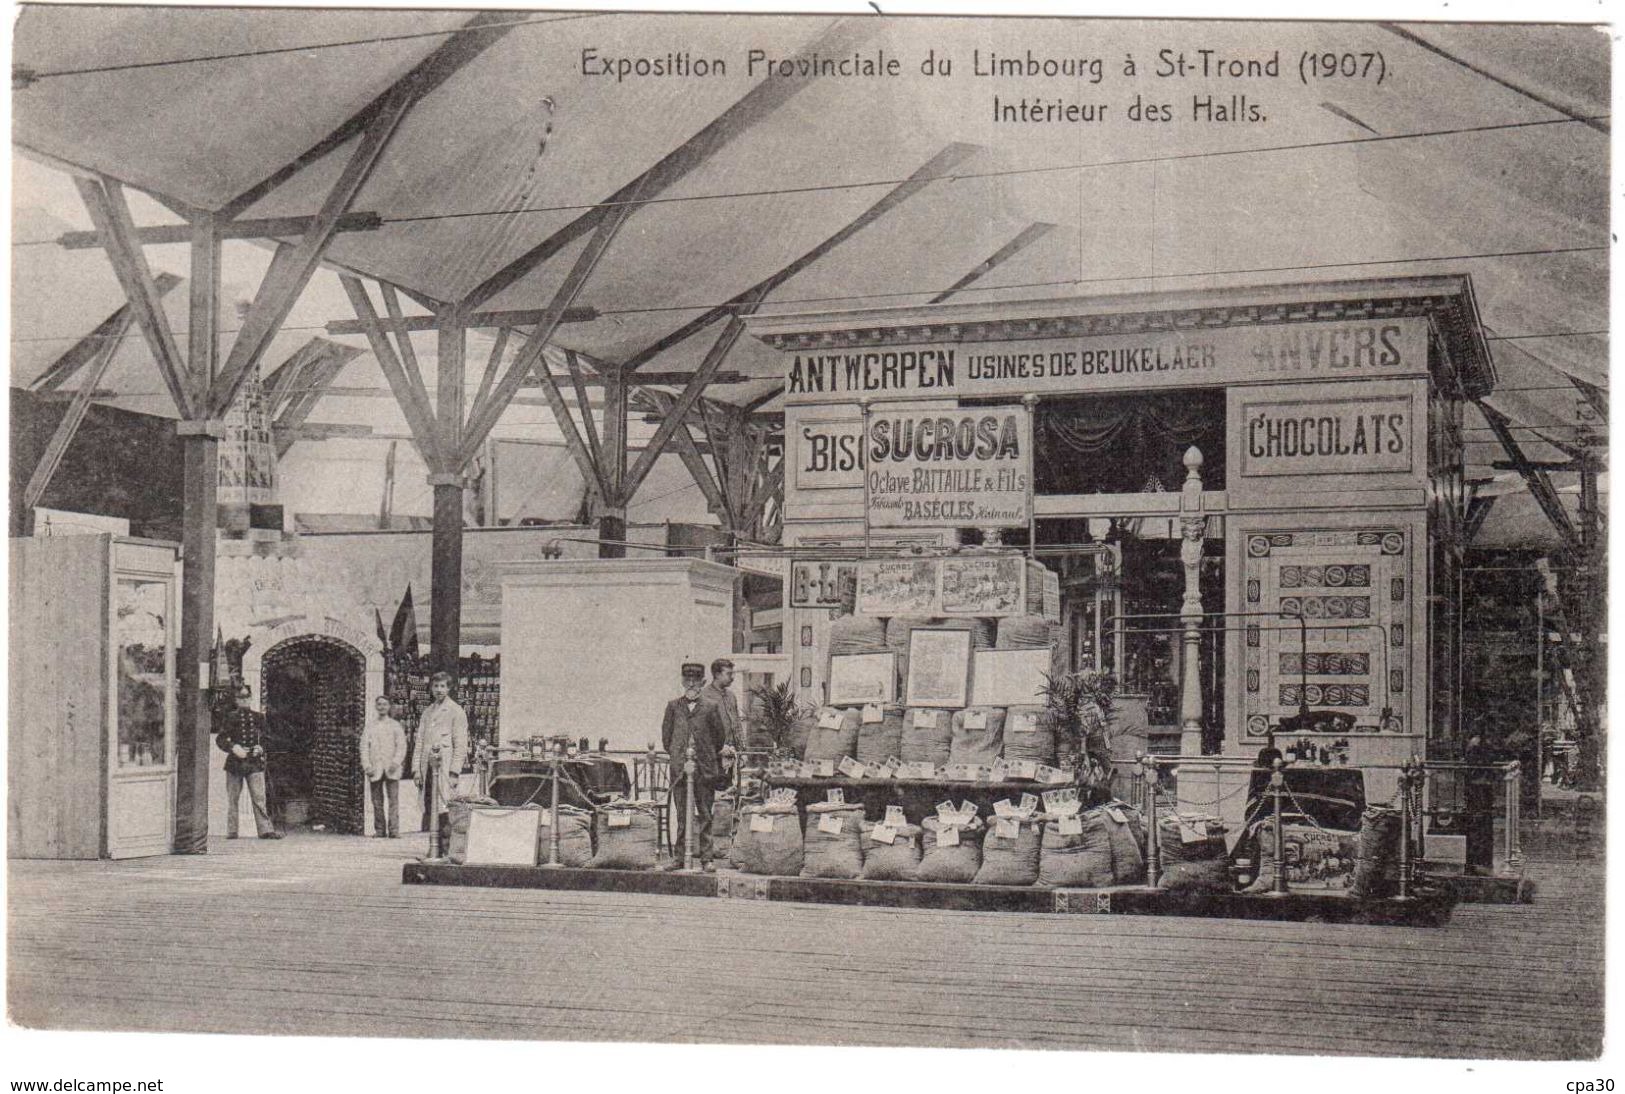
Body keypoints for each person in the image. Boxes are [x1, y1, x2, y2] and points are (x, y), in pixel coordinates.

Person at [662, 662, 729, 871]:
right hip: (680, 770)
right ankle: (679, 858)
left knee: (705, 814)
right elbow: (666, 739)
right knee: (682, 815)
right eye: (687, 681)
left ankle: (707, 859)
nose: (691, 685)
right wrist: (678, 756)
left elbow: (719, 738)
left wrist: (705, 756)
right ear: (682, 682)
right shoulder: (673, 707)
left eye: (695, 681)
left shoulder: (710, 707)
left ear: (702, 683)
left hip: (704, 770)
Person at [414, 671, 469, 855]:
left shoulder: (456, 711)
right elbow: (420, 742)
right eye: (436, 686)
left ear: (449, 688)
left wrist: (454, 772)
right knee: (431, 807)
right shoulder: (427, 712)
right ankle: (434, 847)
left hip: (444, 769)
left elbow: (461, 744)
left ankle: (446, 849)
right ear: (431, 688)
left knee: (445, 807)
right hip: (427, 767)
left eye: (443, 686)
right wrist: (416, 770)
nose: (439, 690)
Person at [217, 682, 281, 840]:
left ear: (251, 698)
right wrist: (233, 747)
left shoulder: (259, 717)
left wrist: (261, 747)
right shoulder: (230, 717)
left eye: (246, 697)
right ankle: (232, 831)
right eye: (240, 697)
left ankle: (265, 830)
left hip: (254, 762)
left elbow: (268, 737)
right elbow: (221, 739)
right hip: (235, 763)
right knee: (233, 798)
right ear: (236, 700)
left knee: (259, 798)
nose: (244, 700)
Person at [360, 695, 407, 838]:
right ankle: (380, 830)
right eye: (379, 704)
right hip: (375, 768)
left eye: (385, 704)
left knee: (393, 800)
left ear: (389, 707)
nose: (382, 707)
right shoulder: (370, 726)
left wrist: (396, 762)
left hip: (392, 768)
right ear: (376, 706)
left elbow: (402, 746)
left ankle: (394, 830)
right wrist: (367, 766)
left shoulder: (395, 725)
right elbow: (364, 747)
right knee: (377, 801)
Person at [702, 657, 742, 750]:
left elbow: (737, 724)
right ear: (717, 674)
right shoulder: (704, 696)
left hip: (733, 751)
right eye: (729, 674)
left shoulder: (731, 696)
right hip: (714, 752)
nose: (732, 678)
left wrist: (742, 751)